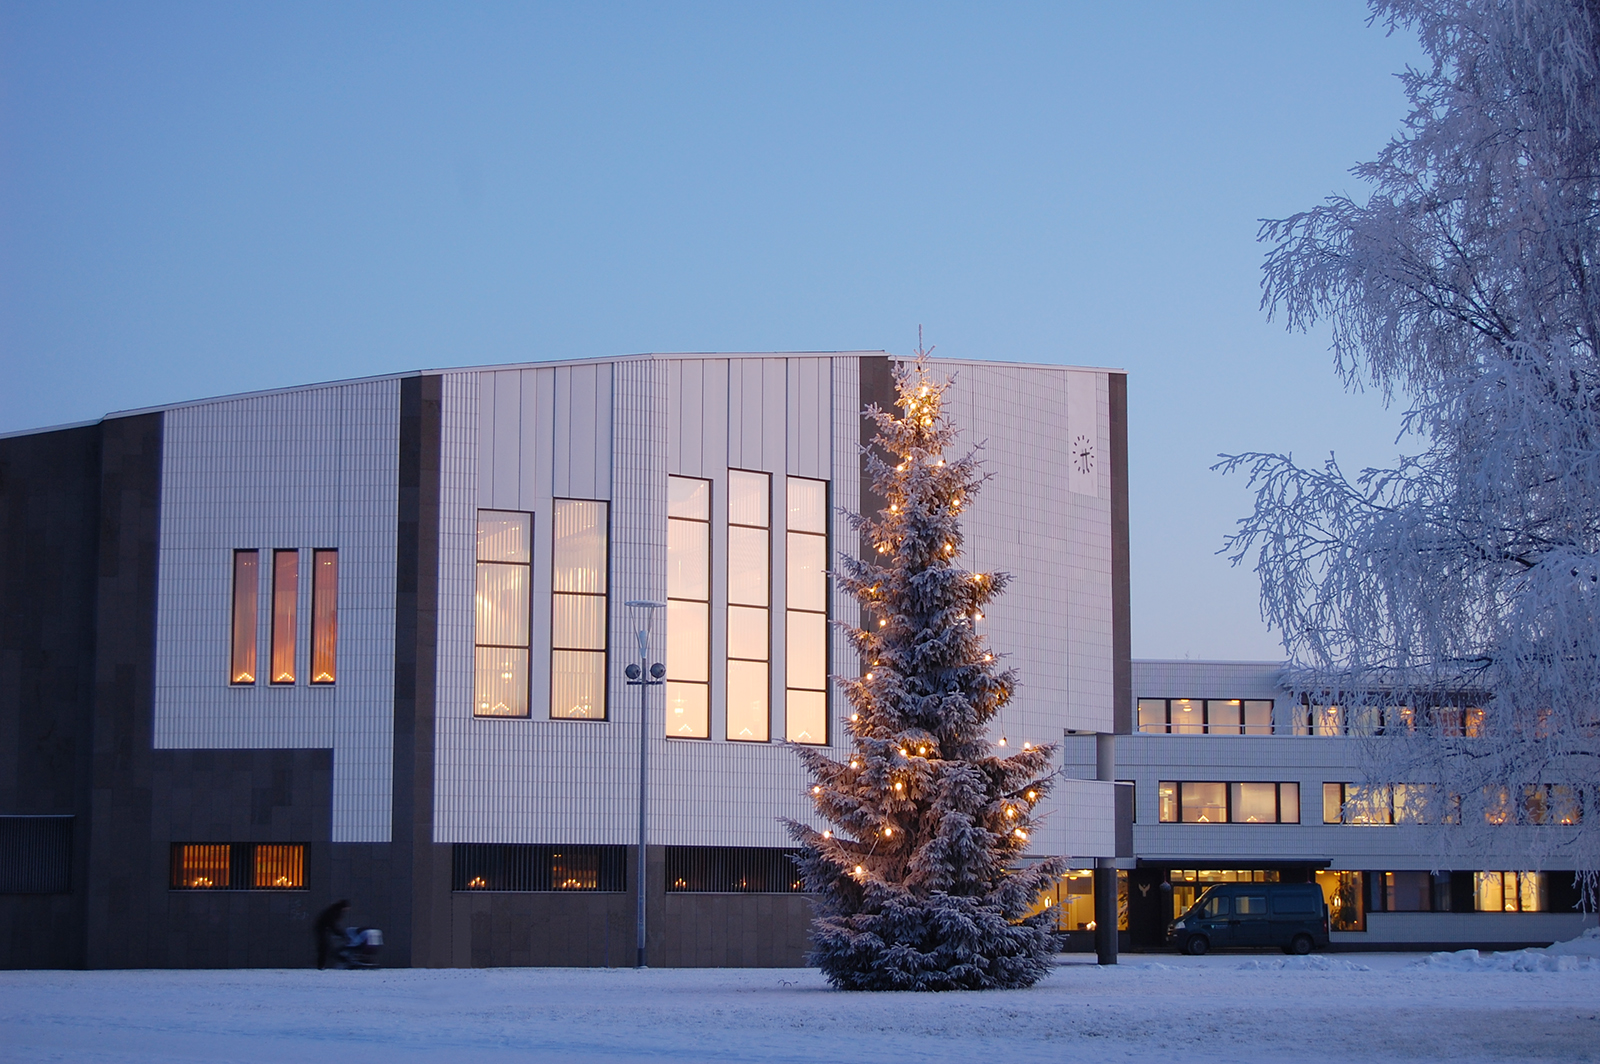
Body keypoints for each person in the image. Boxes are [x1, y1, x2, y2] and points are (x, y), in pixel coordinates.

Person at [314, 899, 350, 970]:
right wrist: (341, 934)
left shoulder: (333, 910)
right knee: (324, 947)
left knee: (324, 947)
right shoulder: (334, 912)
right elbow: (332, 924)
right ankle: (321, 965)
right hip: (323, 929)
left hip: (323, 928)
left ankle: (321, 965)